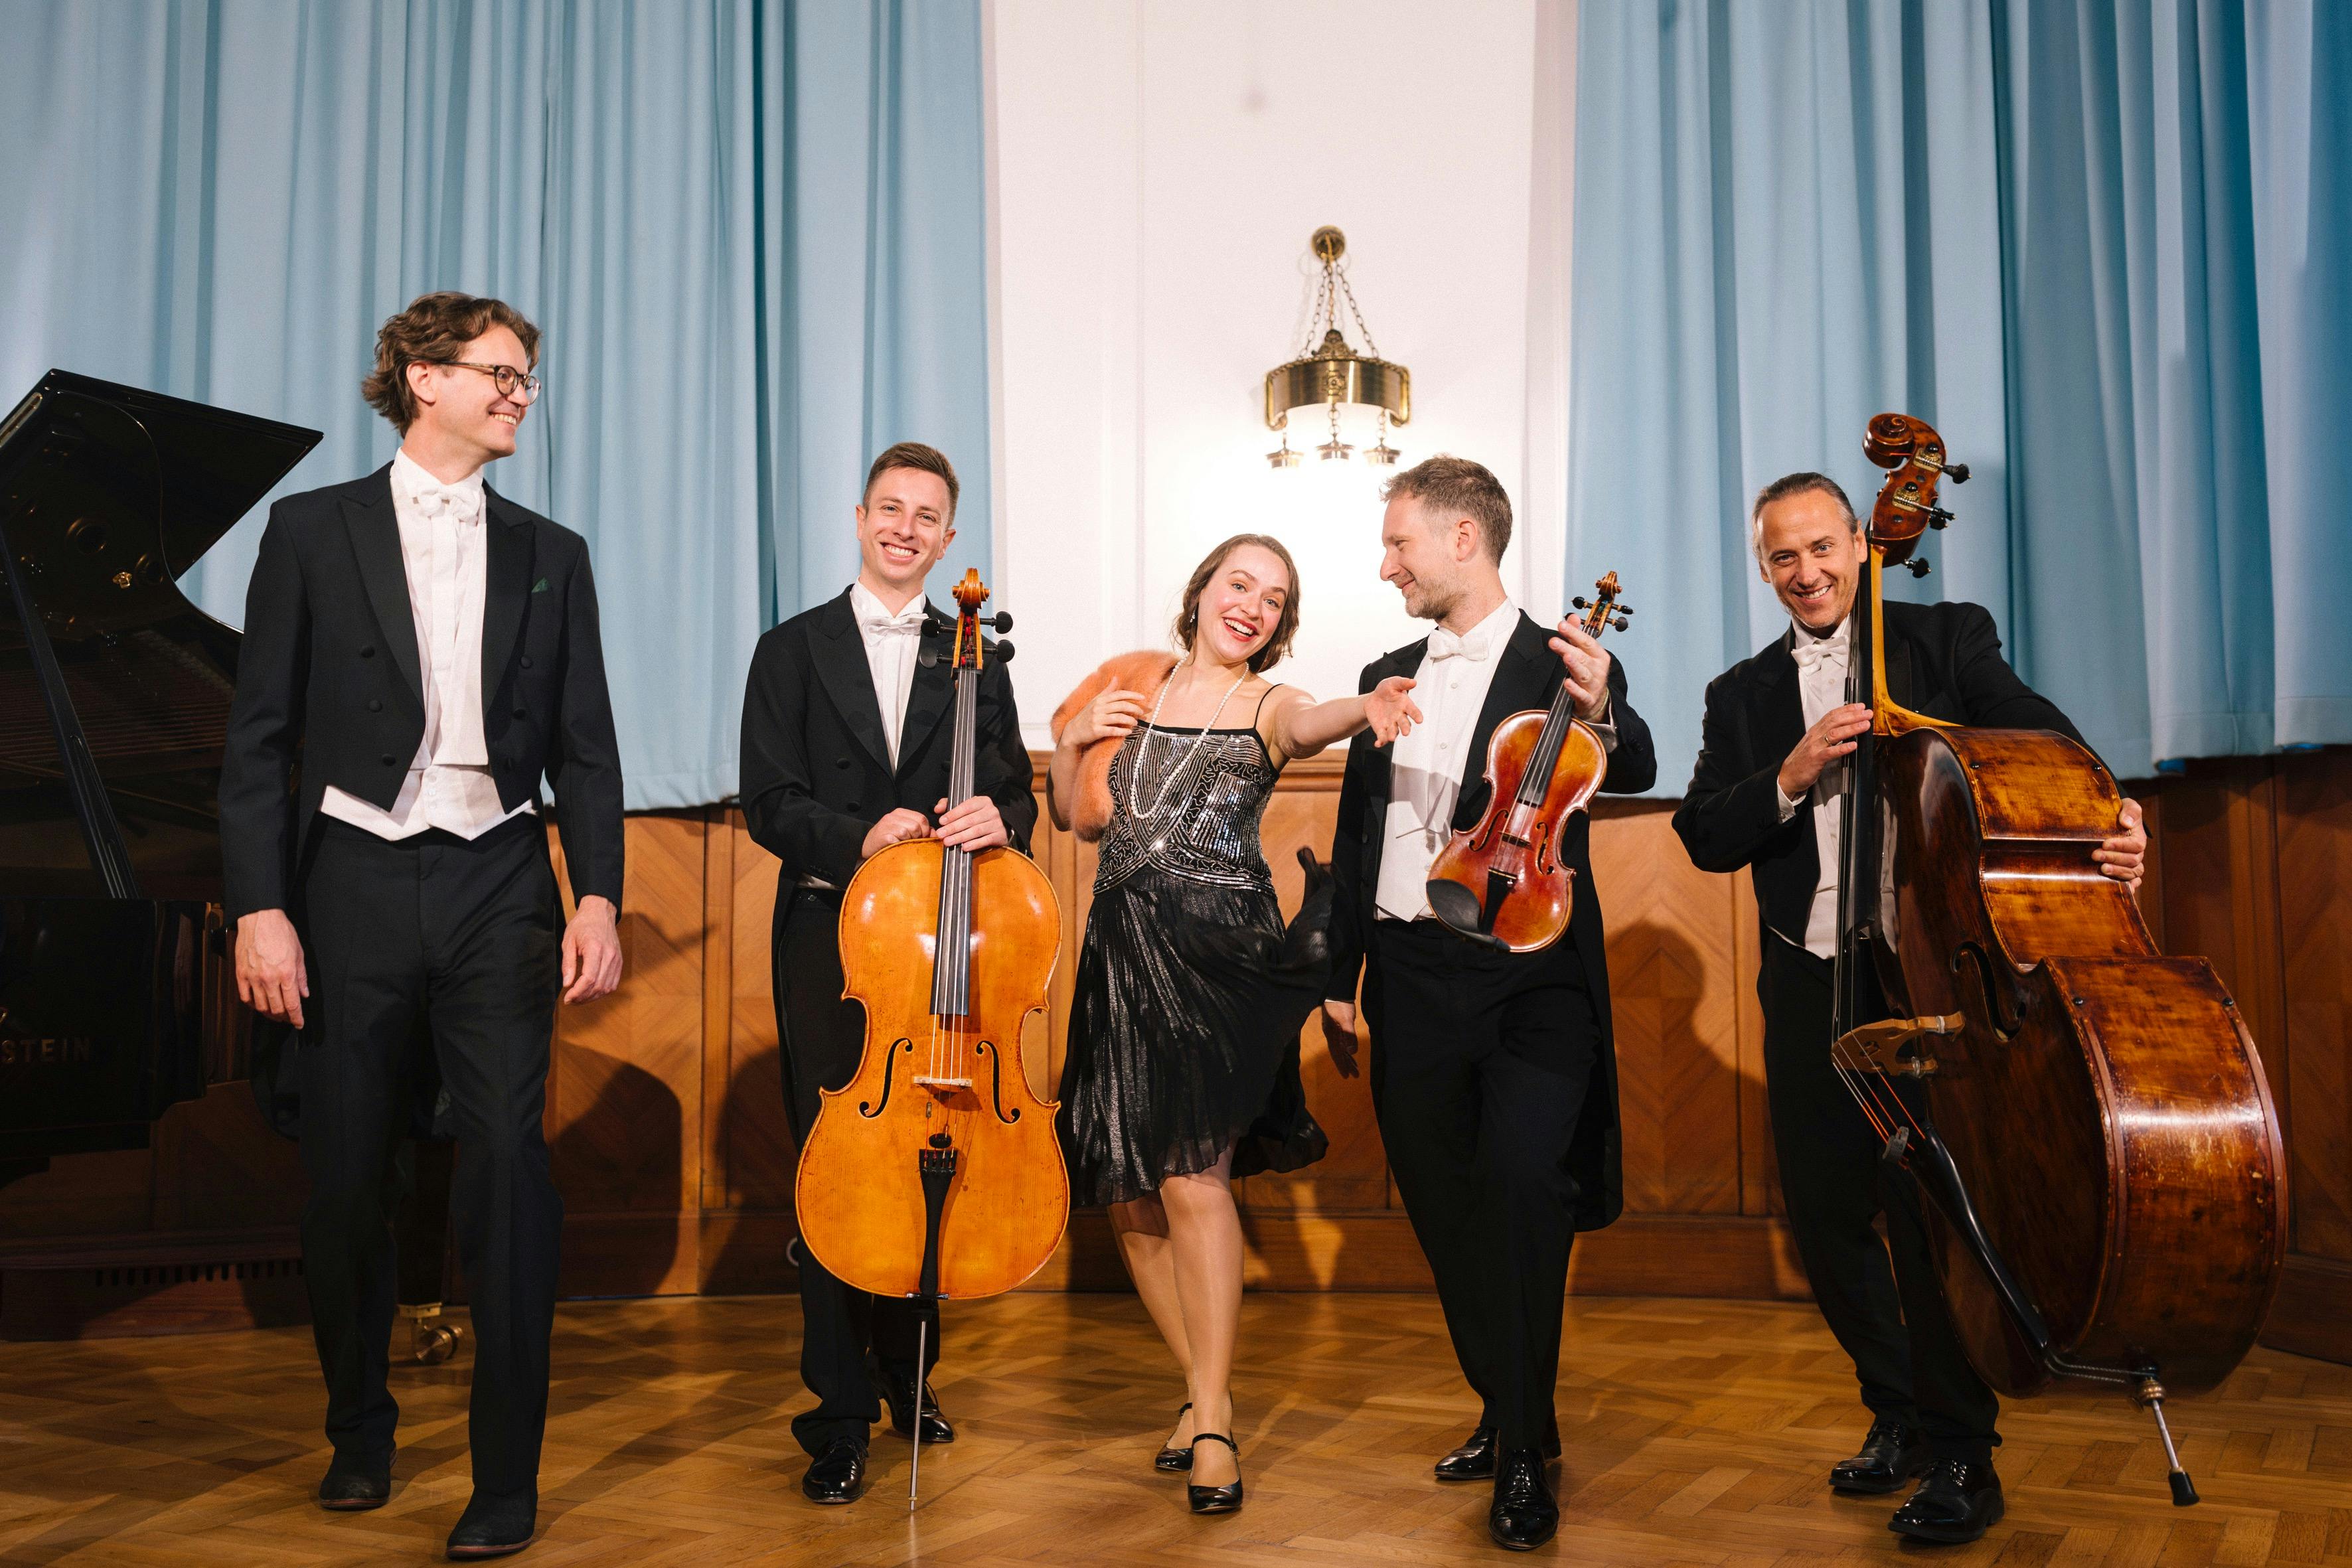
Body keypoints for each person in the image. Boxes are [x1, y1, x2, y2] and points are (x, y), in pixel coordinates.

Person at [220, 291, 626, 1560]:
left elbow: (588, 751)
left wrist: (598, 891)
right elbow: (257, 744)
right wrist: (261, 907)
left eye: (527, 378)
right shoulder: (308, 531)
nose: (520, 393)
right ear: (422, 377)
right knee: (348, 1175)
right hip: (347, 880)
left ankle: (505, 1477)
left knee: (510, 1168)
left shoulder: (555, 549)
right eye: (500, 373)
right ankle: (360, 1426)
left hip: (500, 877)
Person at [1671, 472, 2148, 1545]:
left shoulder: (1943, 640)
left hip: (1927, 976)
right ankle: (1898, 1412)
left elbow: (2049, 746)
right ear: (1764, 568)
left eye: (1823, 548)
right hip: (1806, 975)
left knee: (1931, 1220)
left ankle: (1964, 1449)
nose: (1808, 572)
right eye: (1783, 557)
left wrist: (2117, 812)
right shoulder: (1740, 695)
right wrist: (1787, 774)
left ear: (1860, 541)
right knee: (1830, 1217)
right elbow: (1703, 832)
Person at [1314, 457, 1655, 1551]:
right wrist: (1339, 975)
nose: (1387, 563)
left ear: (1465, 539)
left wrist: (1610, 702)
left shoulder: (1565, 665)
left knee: (1520, 1186)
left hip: (1530, 974)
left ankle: (1522, 1453)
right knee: (1441, 1199)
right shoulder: (1386, 669)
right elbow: (1362, 836)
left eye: (1400, 543)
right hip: (1410, 972)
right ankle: (1510, 1401)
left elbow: (1633, 762)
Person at [1049, 532, 1420, 1517]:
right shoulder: (1139, 681)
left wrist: (1367, 707)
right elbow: (1068, 814)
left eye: (1272, 597)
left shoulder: (1266, 703)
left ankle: (1213, 1417)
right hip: (1119, 950)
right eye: (1238, 584)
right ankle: (1200, 1390)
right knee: (1129, 1192)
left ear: (1281, 622)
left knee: (1190, 1176)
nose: (1250, 604)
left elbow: (1312, 721)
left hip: (1218, 954)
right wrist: (1080, 732)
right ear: (1203, 589)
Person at [737, 441, 1036, 1506]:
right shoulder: (791, 647)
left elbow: (1017, 796)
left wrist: (1003, 813)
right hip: (831, 936)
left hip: (944, 950)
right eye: (891, 509)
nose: (907, 528)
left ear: (950, 538)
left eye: (929, 516)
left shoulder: (978, 658)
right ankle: (836, 1414)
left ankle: (910, 1377)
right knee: (840, 1170)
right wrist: (861, 835)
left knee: (930, 1153)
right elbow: (767, 800)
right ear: (861, 517)